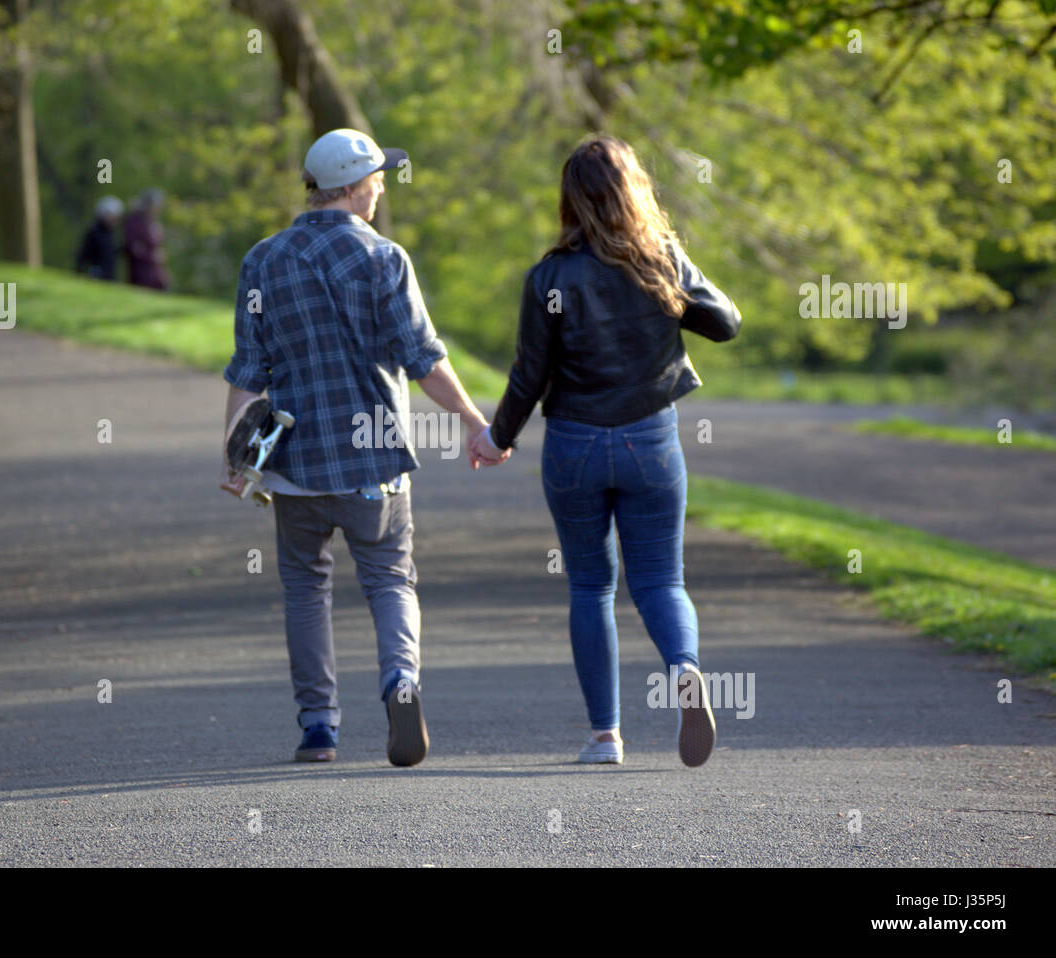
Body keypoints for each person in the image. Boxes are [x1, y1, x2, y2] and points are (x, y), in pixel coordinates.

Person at [470, 136, 741, 768]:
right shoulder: (662, 262)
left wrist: (496, 438)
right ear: (634, 192)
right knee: (661, 581)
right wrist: (673, 276)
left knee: (591, 586)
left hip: (574, 446)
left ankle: (605, 737)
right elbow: (726, 322)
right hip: (650, 443)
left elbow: (528, 374)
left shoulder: (549, 278)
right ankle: (685, 670)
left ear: (569, 201)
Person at [221, 129, 490, 767]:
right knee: (391, 578)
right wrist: (473, 420)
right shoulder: (383, 259)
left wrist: (233, 457)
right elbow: (424, 360)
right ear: (349, 186)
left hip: (294, 464)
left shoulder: (262, 260)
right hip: (373, 461)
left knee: (305, 588)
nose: (383, 187)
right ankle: (401, 683)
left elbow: (247, 370)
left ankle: (318, 727)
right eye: (377, 177)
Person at [123, 188, 170, 290]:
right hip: (141, 272)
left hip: (156, 272)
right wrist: (151, 256)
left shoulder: (153, 221)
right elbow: (133, 247)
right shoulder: (135, 221)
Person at [74, 196, 123, 280]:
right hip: (96, 274)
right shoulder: (94, 232)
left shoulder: (111, 233)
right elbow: (84, 254)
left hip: (110, 275)